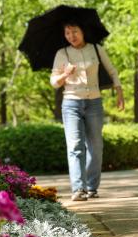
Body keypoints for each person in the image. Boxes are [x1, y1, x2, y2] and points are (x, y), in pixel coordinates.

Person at [51, 22, 124, 201]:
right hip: (71, 103)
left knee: (96, 146)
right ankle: (78, 188)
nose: (71, 36)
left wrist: (119, 92)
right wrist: (65, 74)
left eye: (75, 31)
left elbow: (112, 71)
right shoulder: (62, 53)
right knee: (75, 146)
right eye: (67, 33)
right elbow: (54, 82)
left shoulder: (96, 49)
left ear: (83, 31)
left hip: (94, 103)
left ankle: (92, 186)